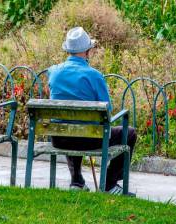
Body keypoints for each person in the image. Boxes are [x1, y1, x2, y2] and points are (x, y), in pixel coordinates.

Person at [47, 27, 137, 195]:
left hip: (59, 138)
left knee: (69, 126)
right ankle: (109, 184)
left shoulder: (53, 72)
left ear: (67, 50)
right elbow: (107, 111)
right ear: (87, 51)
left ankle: (77, 181)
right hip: (90, 139)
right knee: (129, 133)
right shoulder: (94, 76)